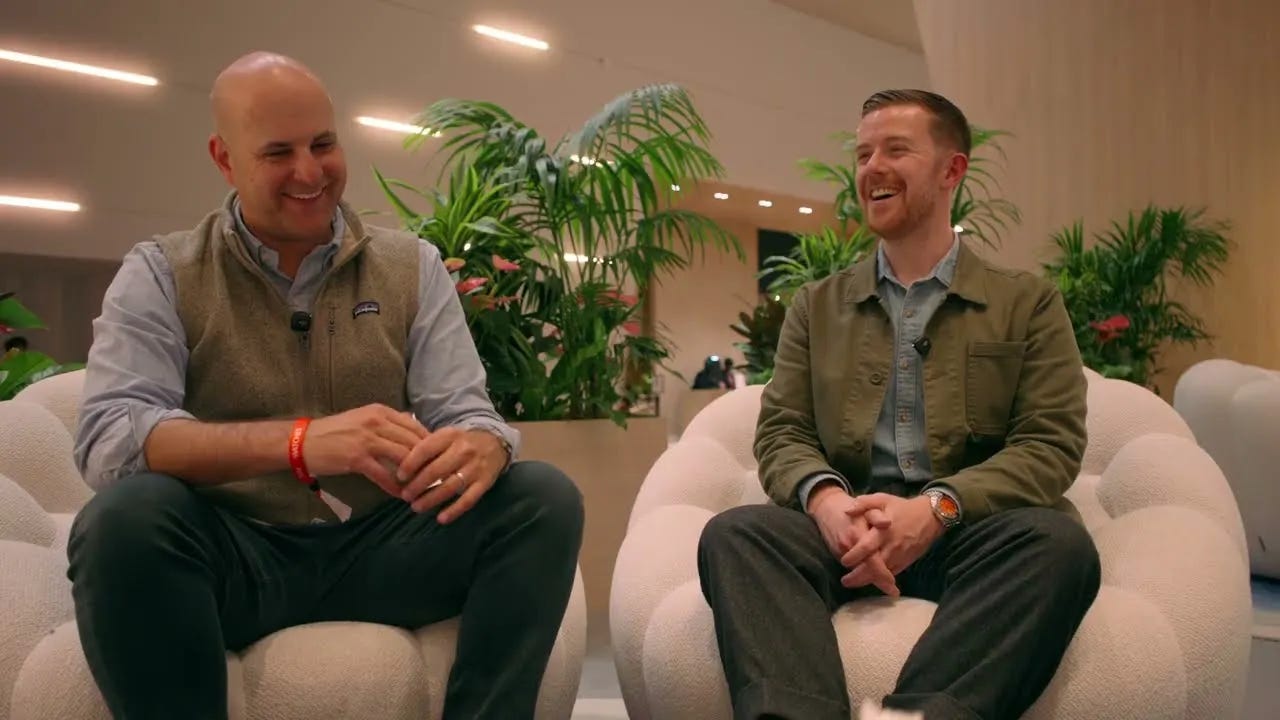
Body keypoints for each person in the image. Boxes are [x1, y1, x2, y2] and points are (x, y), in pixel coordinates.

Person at [68, 51, 583, 720]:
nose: (310, 173)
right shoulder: (164, 272)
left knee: (540, 498)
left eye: (323, 144)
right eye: (278, 152)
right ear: (225, 159)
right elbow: (110, 439)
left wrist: (485, 444)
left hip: (385, 548)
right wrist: (300, 443)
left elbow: (466, 412)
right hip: (232, 556)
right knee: (124, 520)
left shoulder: (411, 266)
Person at [697, 89, 1100, 720]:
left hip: (967, 529)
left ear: (951, 170)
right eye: (863, 154)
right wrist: (827, 503)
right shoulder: (817, 306)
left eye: (895, 150)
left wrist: (935, 509)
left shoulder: (1028, 303)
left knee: (1058, 547)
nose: (872, 168)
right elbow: (782, 431)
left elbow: (1050, 445)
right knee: (737, 535)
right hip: (846, 529)